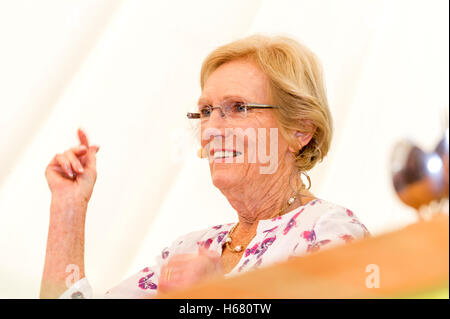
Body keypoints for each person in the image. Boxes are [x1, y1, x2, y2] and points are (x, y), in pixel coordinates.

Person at [40, 34, 370, 299]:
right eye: (206, 111)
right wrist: (68, 208)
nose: (211, 130)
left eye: (238, 107)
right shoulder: (187, 250)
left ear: (300, 129)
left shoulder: (330, 229)